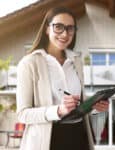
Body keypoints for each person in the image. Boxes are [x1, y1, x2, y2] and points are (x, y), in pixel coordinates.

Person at [16, 7, 109, 150]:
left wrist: (93, 106)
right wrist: (58, 110)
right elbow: (23, 114)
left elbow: (79, 104)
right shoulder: (29, 63)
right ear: (47, 29)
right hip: (47, 141)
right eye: (58, 27)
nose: (65, 34)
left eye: (70, 28)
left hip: (79, 136)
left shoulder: (76, 61)